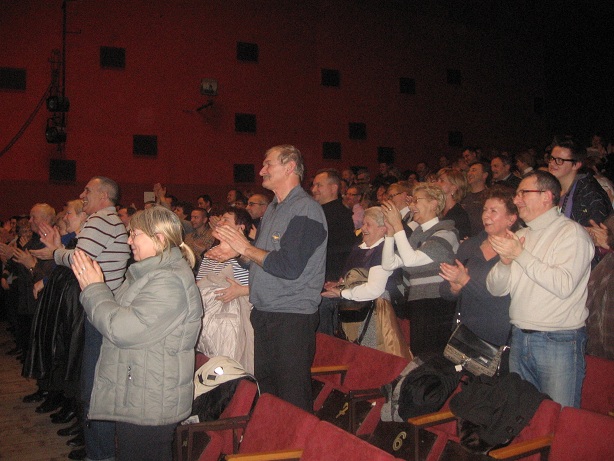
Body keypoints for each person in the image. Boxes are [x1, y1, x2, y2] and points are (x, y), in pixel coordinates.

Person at [70, 206, 203, 461]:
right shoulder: (146, 274)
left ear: (160, 238)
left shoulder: (168, 281)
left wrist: (95, 289)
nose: (128, 240)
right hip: (139, 390)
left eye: (135, 234)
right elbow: (113, 315)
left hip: (150, 399)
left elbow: (120, 330)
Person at [207, 145, 327, 412]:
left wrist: (245, 247)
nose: (261, 170)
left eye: (267, 164)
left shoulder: (306, 211)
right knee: (270, 398)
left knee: (292, 401)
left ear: (290, 167)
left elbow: (289, 266)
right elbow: (259, 261)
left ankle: (300, 451)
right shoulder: (274, 209)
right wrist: (235, 253)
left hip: (291, 319)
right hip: (266, 314)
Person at [40, 176, 131, 461]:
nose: (82, 194)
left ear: (103, 196)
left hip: (100, 313)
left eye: (88, 191)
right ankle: (99, 449)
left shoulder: (101, 221)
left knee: (95, 388)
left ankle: (100, 454)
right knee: (94, 386)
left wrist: (56, 253)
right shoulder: (107, 221)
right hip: (102, 309)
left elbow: (80, 258)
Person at [486, 170, 593, 407]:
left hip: (559, 341)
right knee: (522, 417)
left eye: (523, 193)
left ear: (546, 196)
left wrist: (520, 255)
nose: (516, 199)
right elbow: (496, 289)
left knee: (558, 418)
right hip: (520, 337)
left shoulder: (572, 233)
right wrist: (505, 263)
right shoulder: (521, 235)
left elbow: (563, 285)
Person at [381, 183, 459, 355]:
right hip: (418, 303)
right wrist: (389, 233)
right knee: (419, 355)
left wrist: (399, 226)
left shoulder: (446, 232)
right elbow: (389, 264)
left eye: (417, 200)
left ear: (433, 203)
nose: (411, 206)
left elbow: (410, 260)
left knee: (432, 358)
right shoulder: (418, 235)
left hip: (438, 304)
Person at [321, 207, 409, 357]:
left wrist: (341, 291)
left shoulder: (383, 250)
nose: (363, 228)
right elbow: (350, 278)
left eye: (368, 224)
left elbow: (374, 289)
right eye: (363, 224)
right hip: (354, 307)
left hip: (375, 312)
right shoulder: (358, 248)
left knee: (368, 356)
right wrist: (338, 284)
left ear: (383, 229)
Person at [440, 187, 519, 348]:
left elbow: (501, 299)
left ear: (511, 219)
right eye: (484, 210)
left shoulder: (517, 250)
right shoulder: (470, 245)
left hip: (498, 336)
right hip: (465, 333)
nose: (486, 215)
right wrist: (454, 288)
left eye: (493, 211)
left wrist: (465, 281)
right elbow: (444, 291)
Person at [436, 168, 471, 240]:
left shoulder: (459, 215)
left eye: (442, 181)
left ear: (454, 187)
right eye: (438, 180)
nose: (436, 183)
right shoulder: (437, 210)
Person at [462, 161, 491, 236]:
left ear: (484, 175)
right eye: (469, 171)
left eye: (474, 170)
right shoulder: (463, 197)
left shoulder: (490, 197)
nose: (469, 173)